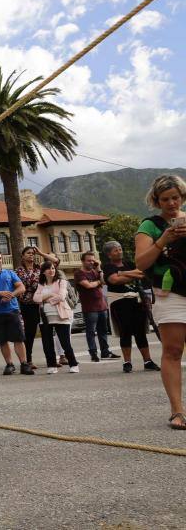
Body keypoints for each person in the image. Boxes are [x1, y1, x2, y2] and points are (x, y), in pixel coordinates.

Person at [134, 174, 186, 429]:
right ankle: (177, 411)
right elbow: (141, 263)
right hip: (170, 293)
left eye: (175, 197)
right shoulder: (149, 226)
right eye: (165, 199)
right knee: (173, 350)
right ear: (156, 200)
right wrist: (163, 240)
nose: (171, 203)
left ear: (182, 196)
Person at [102, 241, 160, 374]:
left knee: (140, 332)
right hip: (120, 301)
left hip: (136, 300)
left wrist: (122, 273)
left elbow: (141, 273)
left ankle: (148, 361)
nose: (119, 251)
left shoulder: (129, 263)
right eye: (115, 250)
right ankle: (127, 362)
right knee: (125, 332)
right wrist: (128, 275)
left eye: (120, 249)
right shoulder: (108, 266)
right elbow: (114, 280)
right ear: (109, 254)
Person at [0, 250, 34, 376]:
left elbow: (21, 288)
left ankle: (24, 364)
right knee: (3, 340)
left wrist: (10, 295)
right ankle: (10, 365)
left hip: (12, 311)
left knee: (18, 339)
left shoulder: (10, 273)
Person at [15, 246, 60, 368]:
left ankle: (51, 360)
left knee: (48, 332)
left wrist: (41, 252)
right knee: (30, 334)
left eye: (32, 253)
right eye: (28, 253)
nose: (31, 255)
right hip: (27, 305)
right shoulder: (18, 271)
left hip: (43, 303)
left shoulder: (40, 267)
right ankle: (28, 360)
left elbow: (56, 261)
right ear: (22, 256)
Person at [32, 262, 80, 374]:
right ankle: (52, 365)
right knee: (47, 343)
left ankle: (73, 364)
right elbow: (35, 298)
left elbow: (62, 296)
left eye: (53, 268)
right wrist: (51, 295)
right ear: (43, 272)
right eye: (48, 269)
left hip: (61, 316)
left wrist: (46, 299)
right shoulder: (41, 285)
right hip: (45, 318)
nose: (51, 270)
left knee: (65, 343)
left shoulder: (61, 282)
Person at [75, 252, 118, 362]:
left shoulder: (95, 272)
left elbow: (104, 282)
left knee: (103, 331)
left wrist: (99, 269)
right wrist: (98, 282)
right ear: (83, 261)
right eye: (89, 260)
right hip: (90, 308)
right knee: (91, 332)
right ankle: (93, 353)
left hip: (101, 305)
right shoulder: (79, 273)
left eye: (93, 260)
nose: (91, 262)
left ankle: (105, 352)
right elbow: (88, 285)